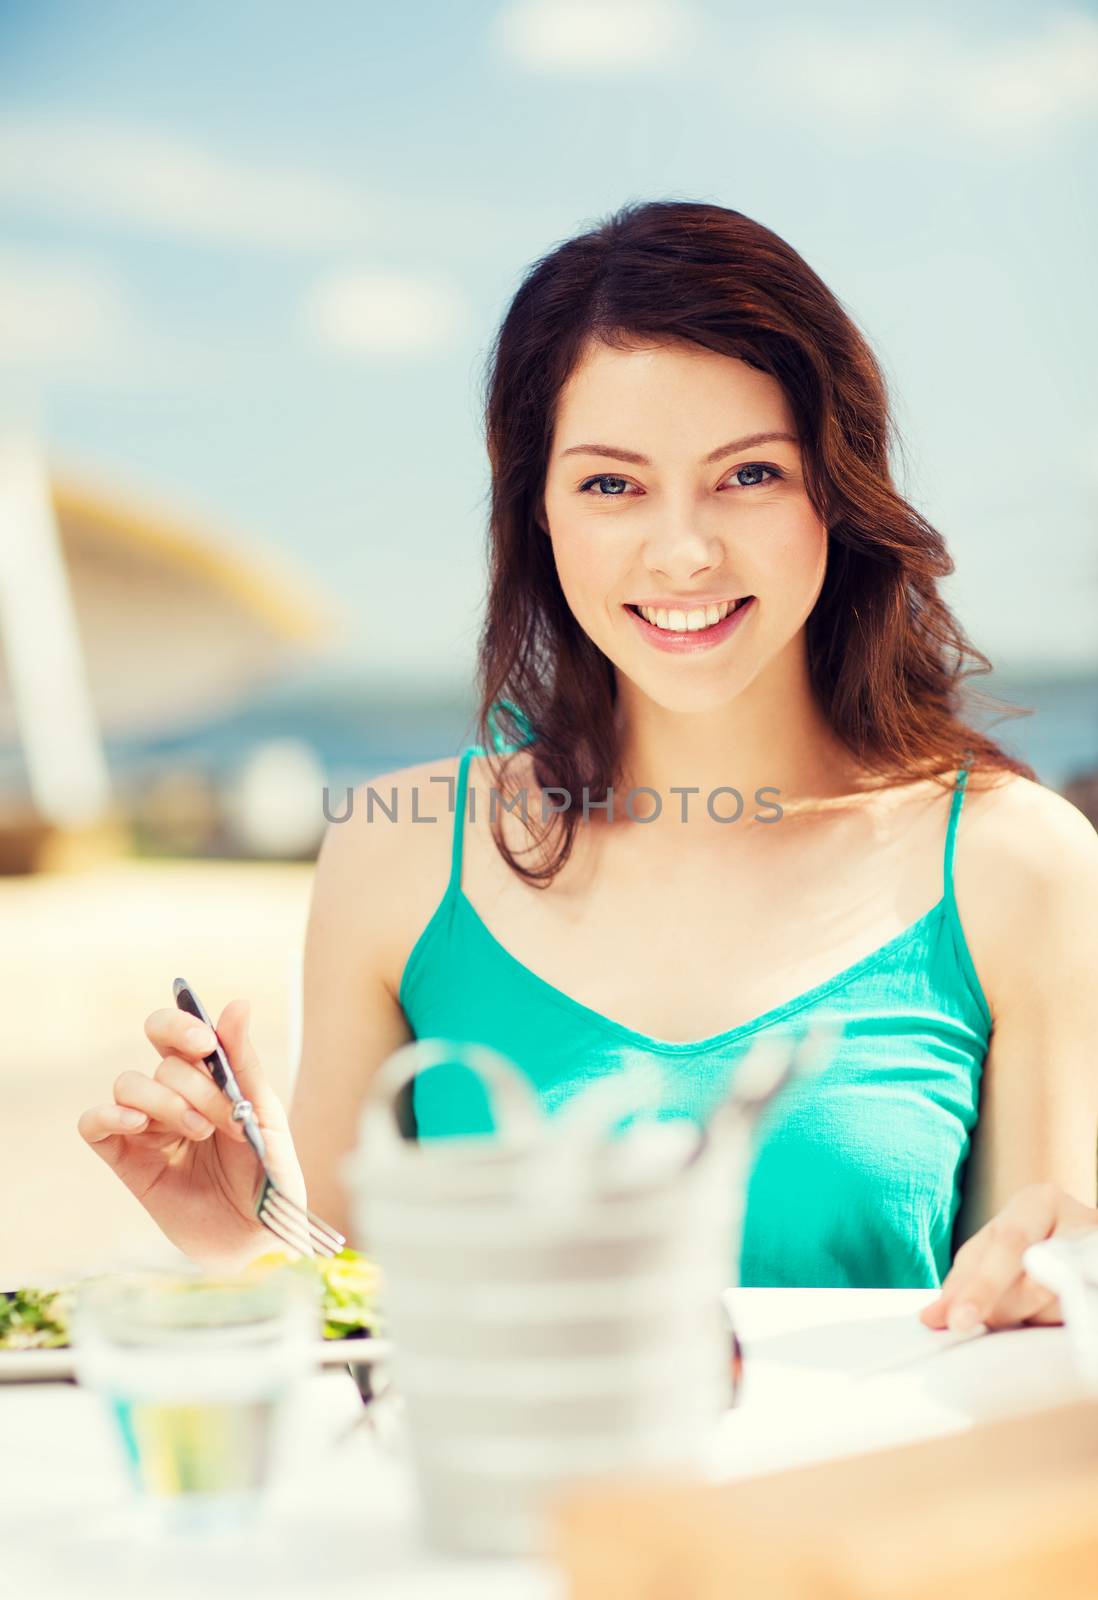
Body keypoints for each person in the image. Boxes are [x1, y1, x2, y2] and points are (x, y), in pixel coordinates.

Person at [78, 200, 1098, 1334]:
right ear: (539, 506)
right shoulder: (399, 852)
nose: (683, 551)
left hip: (863, 1511)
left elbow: (1034, 1340)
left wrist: (1068, 1287)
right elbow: (359, 1340)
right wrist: (250, 1236)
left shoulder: (1021, 864)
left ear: (835, 482)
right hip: (504, 1511)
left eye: (749, 474)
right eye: (612, 484)